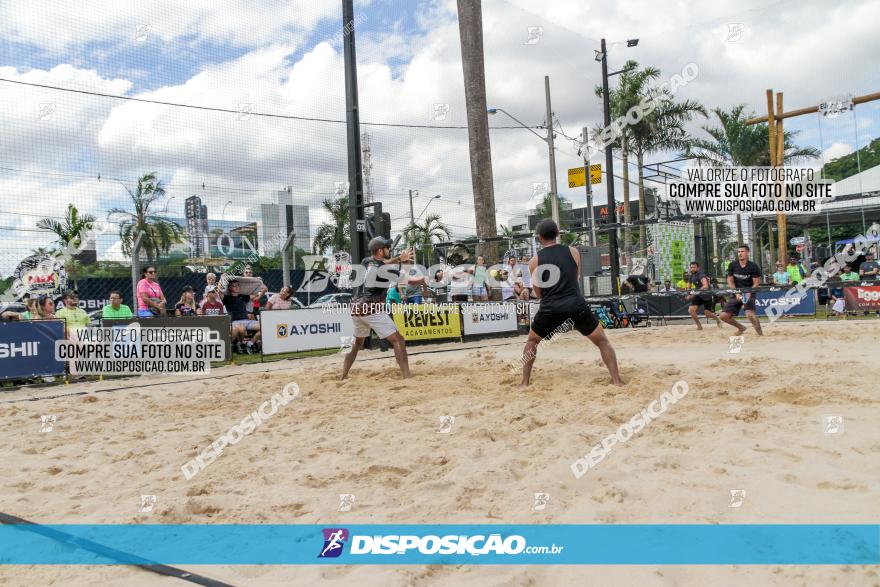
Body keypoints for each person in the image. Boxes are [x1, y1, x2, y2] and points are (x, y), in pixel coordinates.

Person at [522, 219, 623, 387]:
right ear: (558, 234)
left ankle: (524, 382)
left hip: (550, 307)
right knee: (602, 341)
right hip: (575, 305)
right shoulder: (573, 252)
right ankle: (617, 380)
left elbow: (539, 293)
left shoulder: (534, 261)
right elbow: (575, 278)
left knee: (532, 341)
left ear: (540, 238)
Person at [341, 237, 413, 380]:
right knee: (398, 340)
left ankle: (343, 376)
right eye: (387, 248)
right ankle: (407, 376)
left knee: (357, 343)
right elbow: (405, 279)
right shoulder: (384, 270)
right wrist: (405, 263)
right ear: (380, 251)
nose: (389, 249)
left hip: (356, 307)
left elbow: (382, 262)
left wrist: (398, 258)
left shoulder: (366, 262)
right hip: (371, 307)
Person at [720, 244, 763, 336]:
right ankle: (741, 328)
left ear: (747, 253)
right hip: (736, 291)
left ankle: (760, 334)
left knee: (750, 315)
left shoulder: (753, 266)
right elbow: (730, 281)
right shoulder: (732, 265)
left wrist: (748, 294)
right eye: (739, 252)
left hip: (749, 291)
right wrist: (737, 293)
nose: (740, 253)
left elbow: (756, 283)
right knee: (723, 316)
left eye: (742, 251)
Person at [220, 278, 265, 354]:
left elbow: (257, 294)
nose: (237, 287)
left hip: (246, 321)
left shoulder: (243, 296)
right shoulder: (227, 298)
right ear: (230, 288)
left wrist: (258, 282)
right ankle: (240, 344)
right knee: (242, 328)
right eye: (234, 286)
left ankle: (249, 344)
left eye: (238, 285)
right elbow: (219, 292)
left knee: (264, 327)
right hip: (235, 322)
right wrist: (222, 279)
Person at [686, 261, 721, 330]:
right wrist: (689, 294)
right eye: (691, 267)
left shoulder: (701, 275)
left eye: (694, 267)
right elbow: (688, 286)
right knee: (691, 310)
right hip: (698, 295)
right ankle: (699, 326)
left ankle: (717, 319)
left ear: (698, 268)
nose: (692, 269)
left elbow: (705, 286)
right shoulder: (691, 276)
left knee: (707, 313)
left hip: (707, 295)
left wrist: (694, 292)